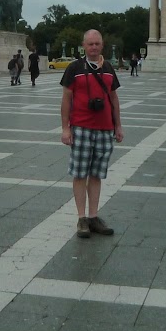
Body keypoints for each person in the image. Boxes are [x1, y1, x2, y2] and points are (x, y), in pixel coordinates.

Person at [60, 30, 123, 239]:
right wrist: (65, 128)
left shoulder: (108, 68)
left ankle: (94, 216)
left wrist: (118, 126)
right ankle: (81, 218)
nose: (94, 47)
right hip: (81, 127)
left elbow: (114, 98)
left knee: (96, 174)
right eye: (90, 44)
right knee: (80, 174)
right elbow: (66, 99)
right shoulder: (74, 68)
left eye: (97, 44)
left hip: (104, 129)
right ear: (83, 46)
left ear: (102, 45)